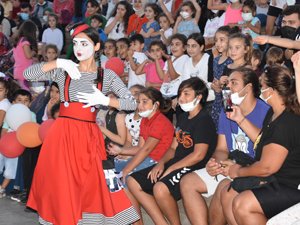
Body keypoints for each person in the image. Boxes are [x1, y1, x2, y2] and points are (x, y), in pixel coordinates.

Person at [24, 23, 139, 225]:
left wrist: (106, 101)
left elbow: (132, 103)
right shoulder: (64, 72)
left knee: (88, 187)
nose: (79, 48)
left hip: (88, 138)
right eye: (76, 43)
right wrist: (58, 63)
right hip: (61, 136)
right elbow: (28, 75)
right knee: (61, 186)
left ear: (96, 47)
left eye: (84, 43)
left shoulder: (107, 76)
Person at [180, 68, 269, 225]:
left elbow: (267, 154)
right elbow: (222, 149)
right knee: (187, 182)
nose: (228, 87)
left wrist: (234, 165)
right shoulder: (226, 111)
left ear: (248, 87)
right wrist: (214, 162)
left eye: (234, 83)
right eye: (228, 83)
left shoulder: (265, 112)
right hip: (230, 164)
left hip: (252, 168)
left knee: (224, 187)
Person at [127, 77, 217, 225]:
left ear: (199, 96)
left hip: (194, 166)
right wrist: (161, 163)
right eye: (180, 94)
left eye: (186, 94)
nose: (181, 98)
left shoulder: (204, 120)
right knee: (132, 181)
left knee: (160, 188)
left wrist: (172, 168)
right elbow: (173, 148)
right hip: (176, 162)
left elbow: (198, 155)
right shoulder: (182, 117)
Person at [220, 66, 300, 225]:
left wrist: (239, 171)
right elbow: (265, 141)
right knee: (227, 193)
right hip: (274, 178)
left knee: (242, 204)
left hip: (289, 184)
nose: (260, 90)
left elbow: (267, 168)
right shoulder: (273, 112)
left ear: (271, 91)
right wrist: (240, 119)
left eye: (263, 86)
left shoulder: (287, 121)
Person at [1, 89, 36, 199]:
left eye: (26, 101)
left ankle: (2, 188)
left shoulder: (31, 115)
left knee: (10, 168)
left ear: (30, 103)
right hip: (6, 145)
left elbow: (33, 132)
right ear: (14, 102)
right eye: (19, 100)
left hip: (18, 147)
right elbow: (4, 130)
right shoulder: (10, 113)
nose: (23, 103)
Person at [182, 33, 215, 105]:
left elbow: (210, 82)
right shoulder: (187, 62)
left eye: (193, 46)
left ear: (201, 47)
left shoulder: (209, 59)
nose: (190, 49)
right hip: (192, 97)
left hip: (208, 97)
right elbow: (185, 83)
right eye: (188, 46)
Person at [210, 26, 233, 127]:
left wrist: (220, 86)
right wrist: (215, 85)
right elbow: (215, 79)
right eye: (216, 40)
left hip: (227, 100)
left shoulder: (231, 61)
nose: (218, 43)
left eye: (222, 40)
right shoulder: (216, 59)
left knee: (226, 125)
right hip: (217, 99)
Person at [13, 20, 37, 90]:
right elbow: (28, 55)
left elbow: (22, 57)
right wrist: (34, 51)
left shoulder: (19, 40)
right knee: (26, 93)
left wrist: (32, 59)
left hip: (18, 70)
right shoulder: (25, 41)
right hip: (24, 72)